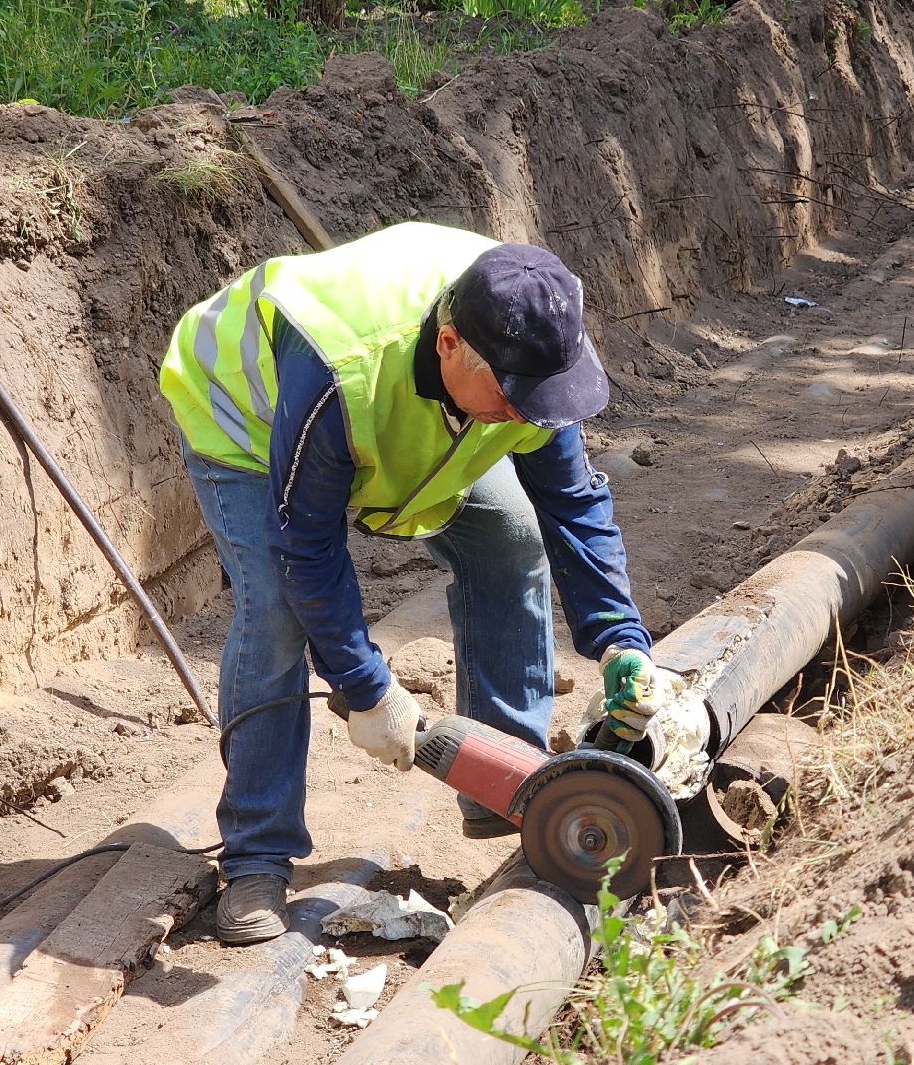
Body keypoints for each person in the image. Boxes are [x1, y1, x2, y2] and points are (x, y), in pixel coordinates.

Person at [157, 221, 676, 945]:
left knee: (509, 537)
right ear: (450, 345)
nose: (526, 417)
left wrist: (621, 638)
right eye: (514, 398)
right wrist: (366, 686)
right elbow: (306, 547)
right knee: (275, 607)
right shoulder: (340, 370)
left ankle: (509, 788)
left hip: (406, 417)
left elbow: (572, 502)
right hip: (249, 420)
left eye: (538, 399)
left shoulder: (530, 350)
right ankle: (256, 857)